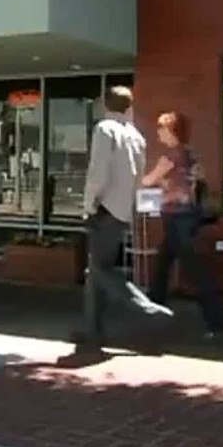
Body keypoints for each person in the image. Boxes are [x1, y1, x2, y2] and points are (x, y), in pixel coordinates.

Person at [72, 86, 173, 351]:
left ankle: (147, 309)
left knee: (98, 269)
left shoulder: (105, 129)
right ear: (129, 106)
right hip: (123, 209)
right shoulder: (136, 136)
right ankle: (92, 332)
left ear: (106, 105)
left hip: (104, 209)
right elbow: (139, 178)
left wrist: (89, 205)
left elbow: (98, 172)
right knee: (96, 271)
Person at [141, 111, 223, 339]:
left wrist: (157, 180)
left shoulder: (170, 156)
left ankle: (217, 323)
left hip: (177, 217)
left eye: (161, 128)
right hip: (185, 216)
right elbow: (193, 181)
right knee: (162, 267)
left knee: (195, 272)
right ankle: (153, 313)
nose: (158, 132)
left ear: (171, 131)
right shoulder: (191, 154)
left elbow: (147, 180)